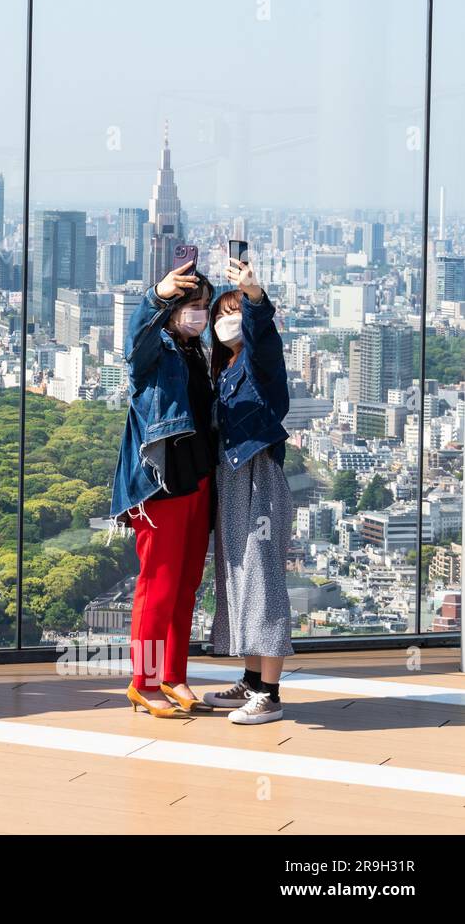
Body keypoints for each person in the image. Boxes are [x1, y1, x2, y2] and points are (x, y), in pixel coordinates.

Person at [109, 259, 215, 718]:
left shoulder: (198, 353)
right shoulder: (156, 355)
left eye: (204, 306)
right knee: (158, 586)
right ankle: (143, 682)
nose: (200, 314)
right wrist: (157, 294)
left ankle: (173, 675)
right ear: (172, 310)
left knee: (187, 583)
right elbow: (135, 341)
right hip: (160, 486)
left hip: (197, 478)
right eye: (191, 305)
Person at [202, 258, 293, 724]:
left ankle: (271, 694)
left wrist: (254, 298)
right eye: (218, 314)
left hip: (259, 483)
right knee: (240, 580)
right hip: (233, 484)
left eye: (231, 311)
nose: (224, 321)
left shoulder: (258, 363)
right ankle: (253, 681)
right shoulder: (227, 370)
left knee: (264, 581)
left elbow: (264, 341)